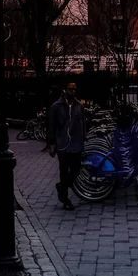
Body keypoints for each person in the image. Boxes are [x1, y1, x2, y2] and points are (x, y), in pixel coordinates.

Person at [47, 81, 86, 211]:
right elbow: (51, 126)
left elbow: (83, 124)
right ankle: (65, 199)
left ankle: (61, 186)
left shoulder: (79, 106)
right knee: (64, 172)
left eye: (74, 89)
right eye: (70, 89)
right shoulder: (56, 107)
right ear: (64, 90)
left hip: (76, 144)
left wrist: (83, 139)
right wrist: (51, 144)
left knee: (75, 171)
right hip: (62, 145)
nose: (73, 92)